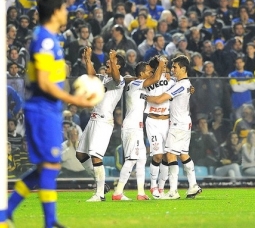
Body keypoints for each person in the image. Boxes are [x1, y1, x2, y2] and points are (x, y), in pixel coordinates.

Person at [7, 0, 95, 228]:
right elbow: (45, 83)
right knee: (50, 166)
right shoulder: (45, 40)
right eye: (65, 7)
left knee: (47, 167)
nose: (67, 11)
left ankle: (8, 211)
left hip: (49, 111)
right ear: (56, 11)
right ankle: (49, 222)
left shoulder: (49, 38)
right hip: (42, 110)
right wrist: (74, 99)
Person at [144, 55, 202, 199]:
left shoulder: (181, 85)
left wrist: (144, 97)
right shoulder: (185, 83)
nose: (173, 70)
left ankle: (173, 191)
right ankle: (193, 185)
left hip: (178, 124)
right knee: (183, 154)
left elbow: (158, 100)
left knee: (170, 155)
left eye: (175, 67)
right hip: (185, 122)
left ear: (183, 68)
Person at [76, 46, 125, 202]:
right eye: (108, 62)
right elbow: (91, 75)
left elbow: (117, 78)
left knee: (96, 157)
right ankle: (101, 185)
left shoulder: (120, 81)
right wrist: (88, 59)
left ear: (118, 66)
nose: (108, 64)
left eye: (112, 63)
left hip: (104, 121)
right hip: (93, 119)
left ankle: (100, 194)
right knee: (81, 154)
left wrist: (113, 58)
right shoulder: (104, 78)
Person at [112, 58, 166, 201]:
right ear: (141, 73)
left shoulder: (136, 83)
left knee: (141, 159)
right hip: (131, 127)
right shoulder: (137, 83)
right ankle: (118, 192)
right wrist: (160, 64)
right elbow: (154, 79)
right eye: (148, 71)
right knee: (131, 159)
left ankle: (141, 193)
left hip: (136, 127)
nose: (150, 73)